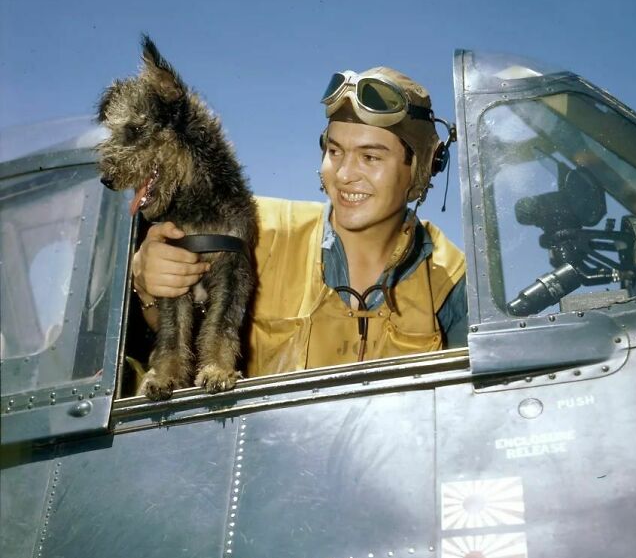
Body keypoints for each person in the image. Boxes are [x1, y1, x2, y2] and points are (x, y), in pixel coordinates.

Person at [130, 67, 467, 378]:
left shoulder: (449, 279)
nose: (345, 175)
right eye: (334, 152)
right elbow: (181, 331)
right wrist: (147, 284)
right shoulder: (255, 229)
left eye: (370, 157)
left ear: (422, 167)